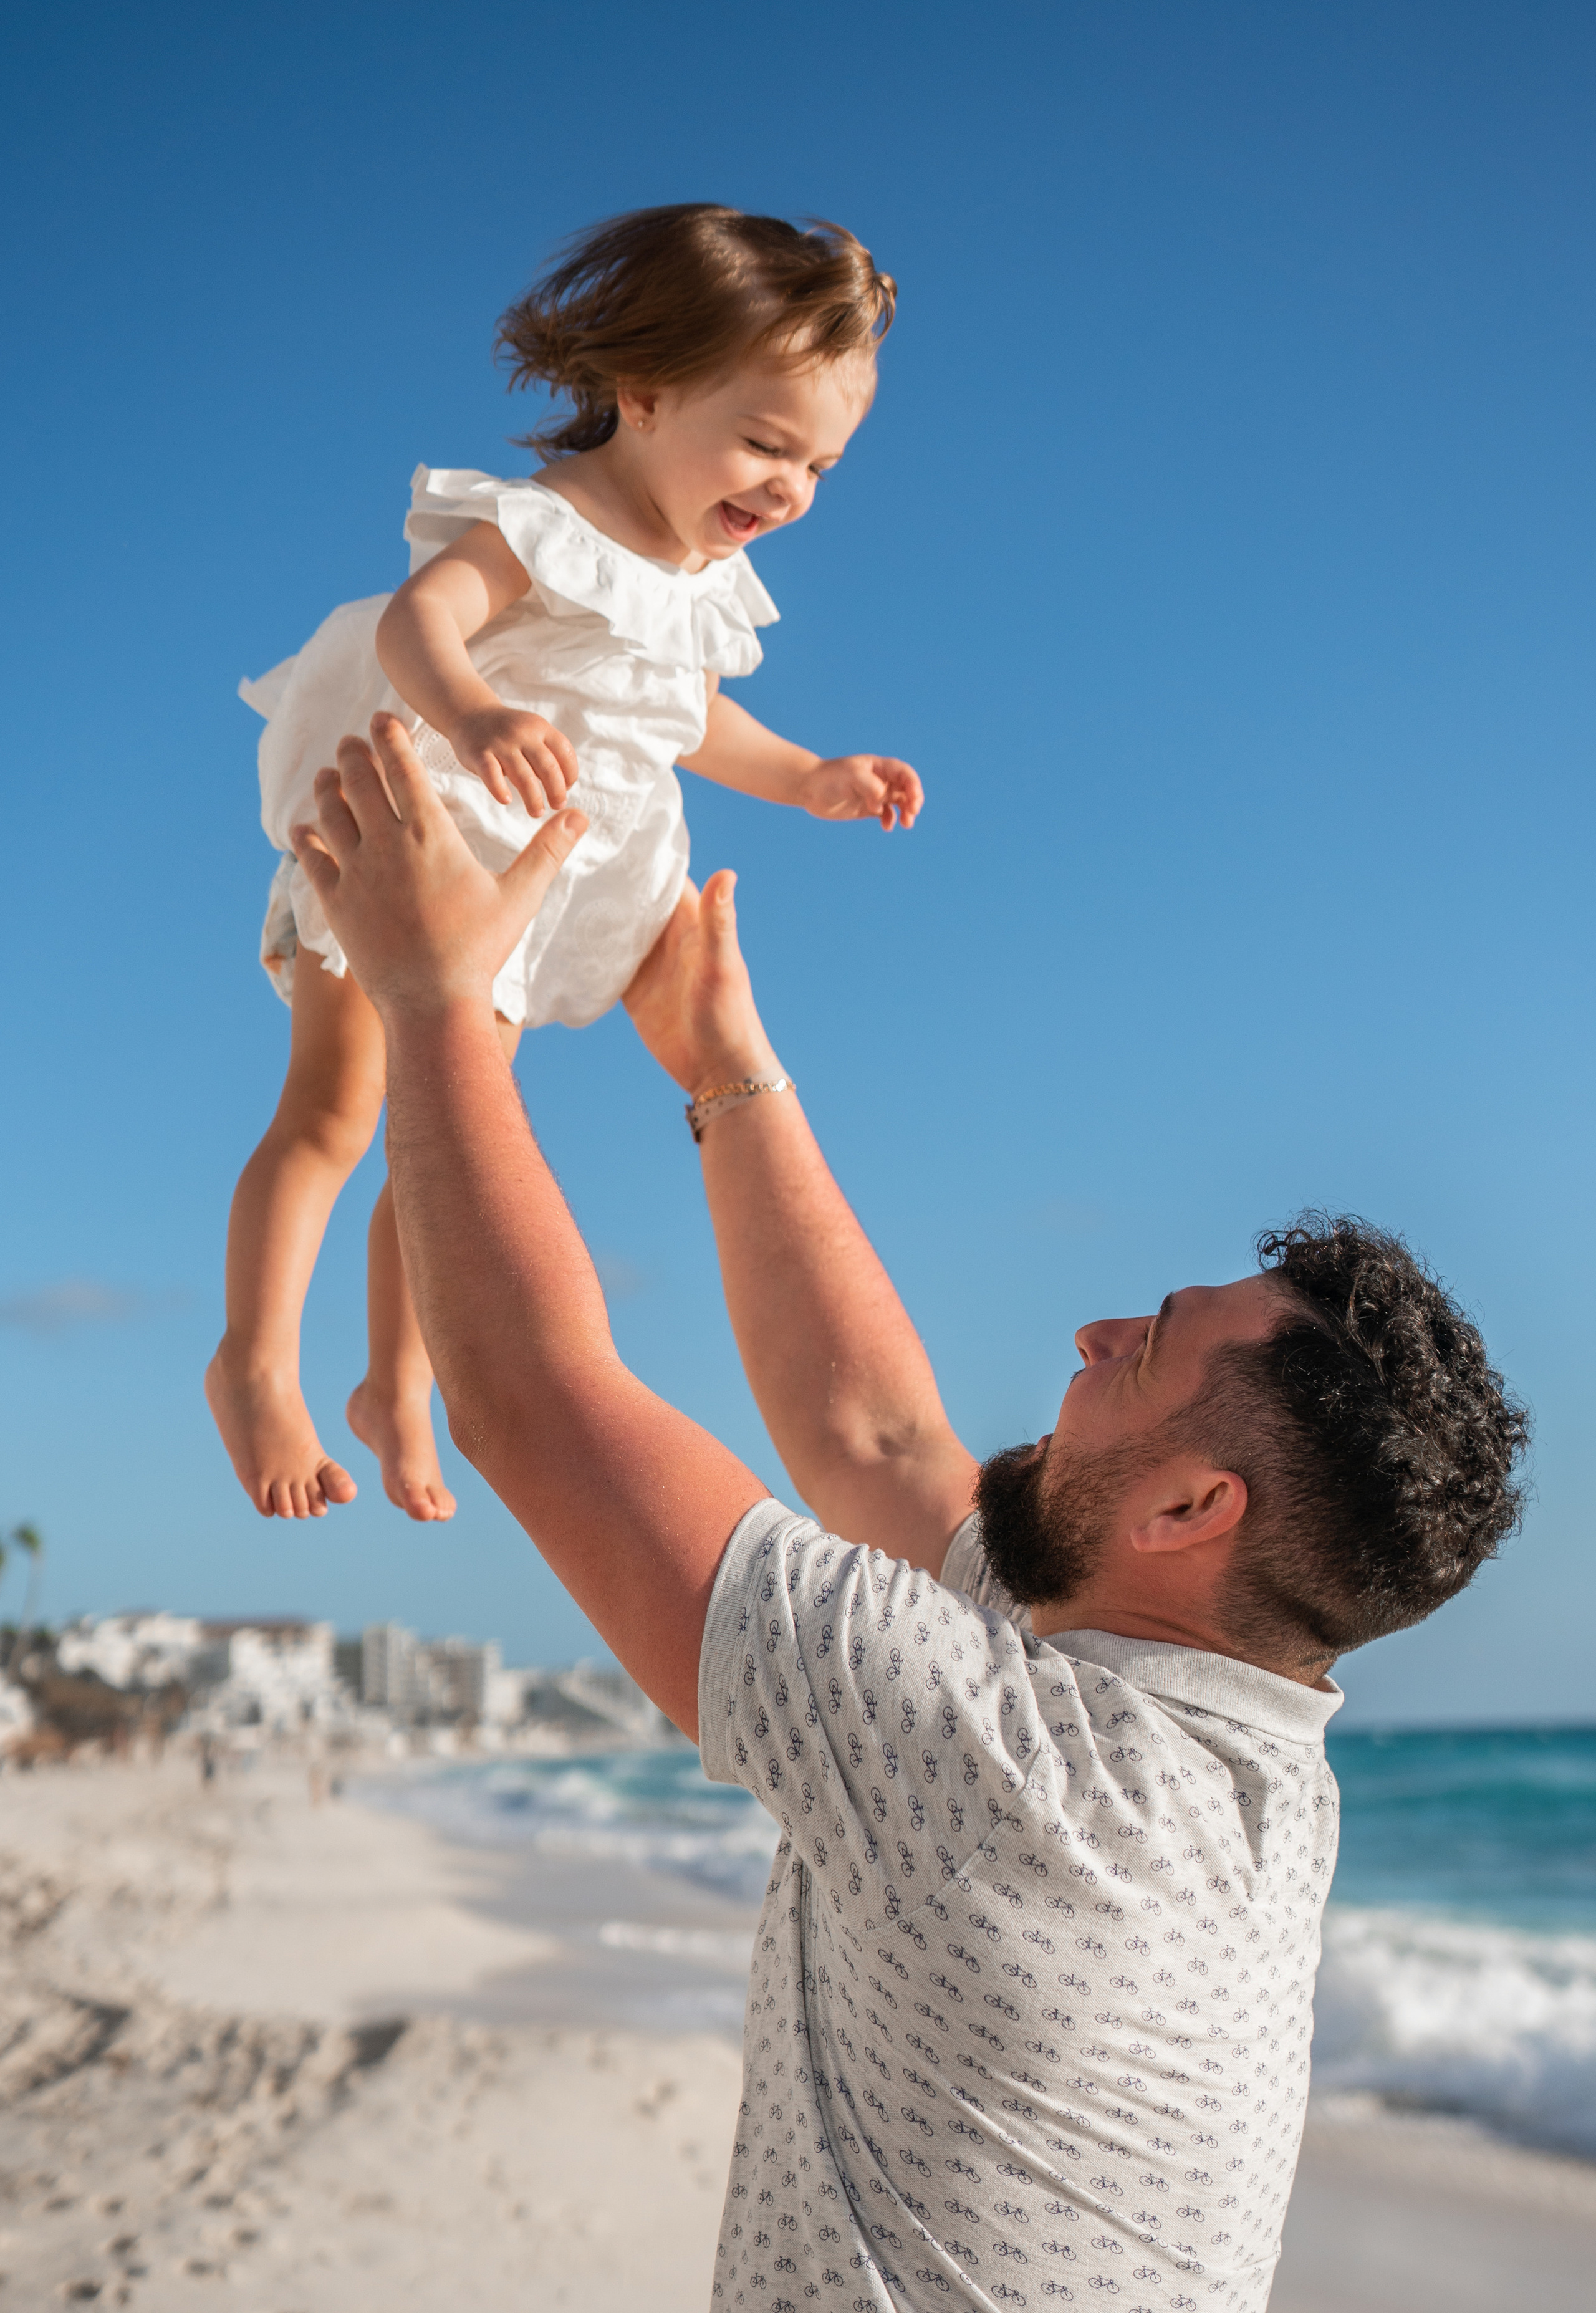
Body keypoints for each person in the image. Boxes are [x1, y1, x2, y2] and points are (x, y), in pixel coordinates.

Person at [290, 718, 1527, 2313]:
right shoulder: (1240, 1770)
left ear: (1187, 1505)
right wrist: (725, 1065)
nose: (1089, 1337)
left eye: (1144, 1346)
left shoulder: (1010, 1778)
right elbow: (877, 1440)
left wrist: (434, 996)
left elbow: (532, 1401)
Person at [207, 204, 920, 1524]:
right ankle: (252, 1364)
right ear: (643, 394)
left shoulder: (697, 577)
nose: (789, 489)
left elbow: (685, 714)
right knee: (336, 1109)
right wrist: (477, 713)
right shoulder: (548, 521)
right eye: (766, 444)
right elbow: (422, 620)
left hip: (517, 897)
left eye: (820, 465)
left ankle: (397, 1383)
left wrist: (808, 774)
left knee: (446, 1131)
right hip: (411, 843)